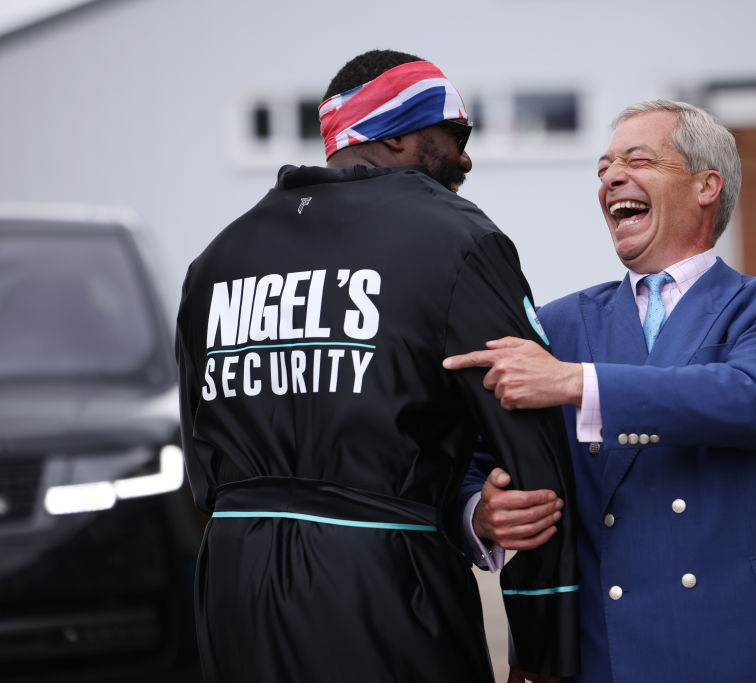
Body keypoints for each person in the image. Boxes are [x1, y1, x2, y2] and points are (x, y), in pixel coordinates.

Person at [175, 49, 578, 683]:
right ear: (396, 135)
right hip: (381, 584)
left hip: (234, 585)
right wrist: (544, 648)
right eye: (456, 135)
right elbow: (531, 457)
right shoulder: (458, 239)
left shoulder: (215, 260)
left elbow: (201, 474)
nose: (466, 159)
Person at [445, 100, 756, 682]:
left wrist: (574, 381)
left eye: (637, 160)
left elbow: (748, 398)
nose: (611, 178)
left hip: (753, 636)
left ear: (706, 186)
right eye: (603, 168)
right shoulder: (554, 326)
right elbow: (469, 458)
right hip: (606, 644)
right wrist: (481, 512)